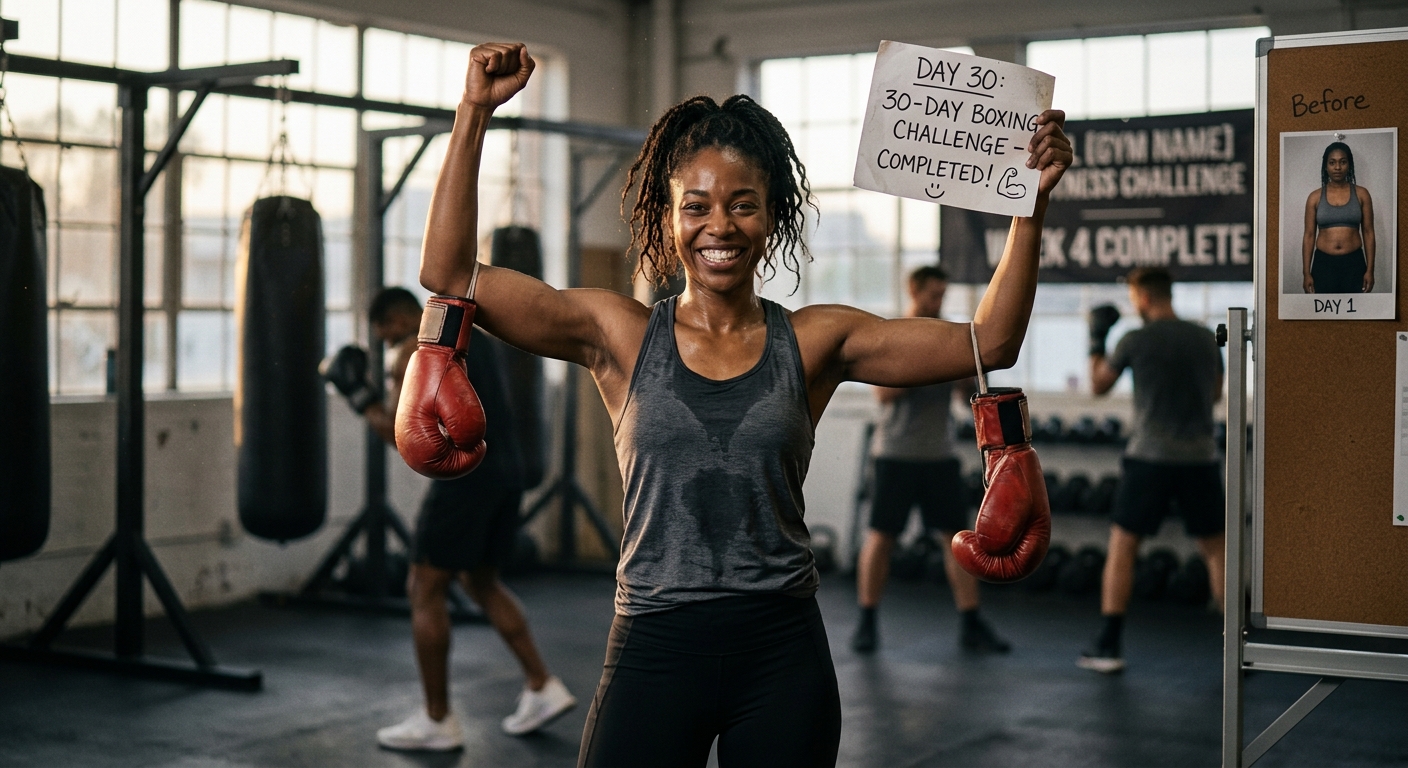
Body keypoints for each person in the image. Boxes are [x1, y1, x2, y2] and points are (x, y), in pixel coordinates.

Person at [409, 42, 1069, 768]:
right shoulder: (618, 335)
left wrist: (1028, 205)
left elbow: (991, 341)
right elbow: (448, 272)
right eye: (696, 207)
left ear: (772, 217)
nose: (718, 225)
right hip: (653, 645)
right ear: (667, 220)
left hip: (780, 653)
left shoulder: (818, 340)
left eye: (741, 204)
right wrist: (474, 111)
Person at [321, 286, 576, 751]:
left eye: (385, 336)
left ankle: (437, 720)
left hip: (466, 482)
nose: (387, 347)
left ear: (397, 320)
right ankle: (542, 685)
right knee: (482, 581)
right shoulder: (475, 337)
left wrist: (361, 399)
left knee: (424, 586)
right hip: (509, 473)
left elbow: (408, 439)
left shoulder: (414, 353)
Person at [850, 264, 1009, 655]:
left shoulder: (948, 335)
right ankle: (867, 622)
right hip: (896, 454)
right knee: (882, 538)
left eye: (942, 295)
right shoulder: (891, 335)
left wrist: (959, 370)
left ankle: (971, 623)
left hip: (939, 455)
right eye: (932, 295)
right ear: (913, 290)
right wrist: (925, 361)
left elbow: (965, 396)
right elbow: (884, 396)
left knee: (956, 540)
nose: (938, 302)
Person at [1081, 268, 1226, 674]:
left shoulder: (1135, 339)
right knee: (1216, 550)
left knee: (1124, 546)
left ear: (1143, 297)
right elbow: (1215, 394)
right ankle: (1237, 648)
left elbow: (1097, 386)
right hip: (1199, 456)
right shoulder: (1202, 337)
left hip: (1149, 457)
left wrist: (1095, 338)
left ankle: (1108, 645)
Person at [1301, 141, 1376, 294]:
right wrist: (1306, 273)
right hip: (1324, 264)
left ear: (1349, 165)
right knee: (1325, 316)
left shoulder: (1362, 194)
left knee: (1355, 315)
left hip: (1354, 263)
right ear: (1326, 166)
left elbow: (1368, 232)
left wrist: (1370, 270)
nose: (1337, 167)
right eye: (1332, 162)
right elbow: (1309, 236)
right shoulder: (1314, 197)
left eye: (1342, 162)